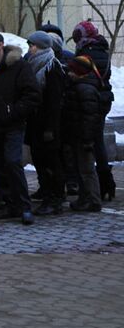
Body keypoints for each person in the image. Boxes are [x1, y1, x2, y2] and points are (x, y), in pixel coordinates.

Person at [0, 32, 40, 225]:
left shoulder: (18, 66)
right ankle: (8, 203)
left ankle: (24, 206)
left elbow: (32, 95)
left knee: (13, 162)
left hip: (13, 124)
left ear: (0, 45)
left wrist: (13, 111)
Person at [71, 20, 116, 202]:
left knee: (93, 141)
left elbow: (85, 75)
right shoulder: (102, 50)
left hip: (91, 99)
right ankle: (106, 183)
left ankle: (100, 185)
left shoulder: (87, 52)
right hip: (103, 99)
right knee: (98, 140)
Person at [25, 31, 68, 216]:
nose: (30, 49)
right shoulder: (33, 65)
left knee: (51, 162)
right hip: (36, 122)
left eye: (33, 45)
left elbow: (54, 101)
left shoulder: (52, 67)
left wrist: (51, 128)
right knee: (39, 160)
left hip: (48, 125)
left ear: (42, 46)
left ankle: (55, 198)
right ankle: (46, 192)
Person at [62, 55, 106, 213]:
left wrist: (87, 139)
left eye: (72, 70)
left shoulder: (85, 88)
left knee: (86, 170)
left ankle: (93, 200)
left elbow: (90, 117)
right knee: (82, 169)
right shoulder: (80, 85)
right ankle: (85, 198)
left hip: (83, 137)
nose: (69, 73)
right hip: (78, 135)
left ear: (79, 72)